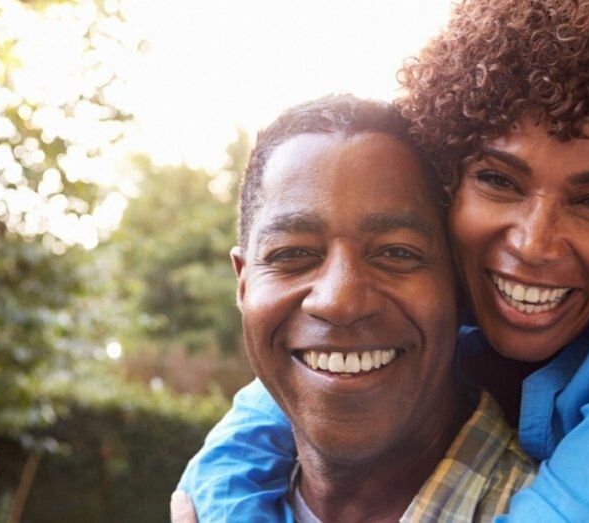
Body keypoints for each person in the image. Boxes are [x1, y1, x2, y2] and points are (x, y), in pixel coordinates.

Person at [176, 0, 589, 521]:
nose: (532, 242)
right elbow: (271, 412)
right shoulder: (451, 289)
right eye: (499, 181)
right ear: (450, 181)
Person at [202, 94, 536, 521]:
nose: (340, 301)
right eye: (292, 255)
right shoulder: (208, 501)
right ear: (244, 285)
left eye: (397, 253)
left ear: (459, 283)